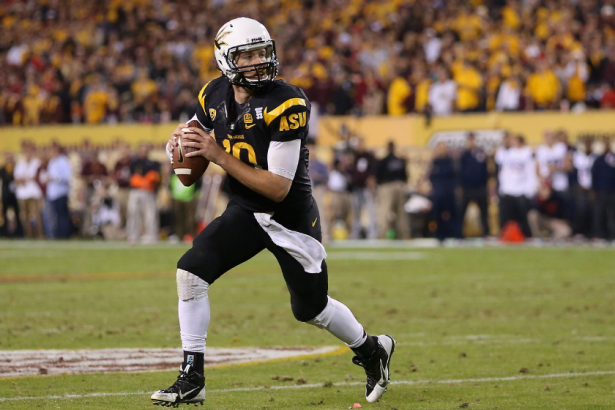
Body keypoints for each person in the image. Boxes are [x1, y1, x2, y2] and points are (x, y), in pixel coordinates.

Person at [152, 18, 395, 408]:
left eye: (262, 52)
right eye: (246, 55)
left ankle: (372, 349)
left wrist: (217, 154)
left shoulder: (288, 102)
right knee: (191, 272)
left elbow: (278, 187)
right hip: (247, 212)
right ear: (225, 60)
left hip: (290, 220)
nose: (258, 61)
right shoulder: (213, 94)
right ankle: (191, 376)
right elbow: (188, 157)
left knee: (310, 308)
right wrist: (179, 149)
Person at [495, 134, 536, 238]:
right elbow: (498, 158)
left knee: (522, 217)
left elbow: (530, 171)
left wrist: (530, 189)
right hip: (508, 190)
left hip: (521, 190)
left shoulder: (527, 153)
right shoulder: (507, 153)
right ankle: (505, 235)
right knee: (506, 217)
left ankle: (526, 235)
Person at [126, 144, 160, 244]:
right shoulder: (134, 162)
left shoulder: (153, 163)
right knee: (133, 213)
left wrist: (147, 181)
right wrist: (142, 182)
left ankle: (152, 235)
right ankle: (133, 235)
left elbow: (156, 177)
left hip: (148, 192)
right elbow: (132, 178)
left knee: (150, 215)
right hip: (136, 191)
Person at [375, 141, 409, 239]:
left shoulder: (383, 161)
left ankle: (382, 235)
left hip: (387, 186)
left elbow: (378, 177)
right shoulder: (400, 161)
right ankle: (404, 235)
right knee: (401, 213)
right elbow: (405, 177)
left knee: (384, 212)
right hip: (399, 186)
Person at [459, 133, 490, 237]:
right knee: (462, 212)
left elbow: (485, 170)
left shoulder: (480, 153)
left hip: (480, 188)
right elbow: (460, 171)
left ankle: (486, 234)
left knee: (484, 213)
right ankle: (459, 234)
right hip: (467, 188)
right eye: (469, 140)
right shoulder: (464, 155)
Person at [429, 141, 460, 241]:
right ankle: (440, 237)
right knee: (438, 216)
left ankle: (457, 236)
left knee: (453, 215)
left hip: (449, 193)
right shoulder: (435, 162)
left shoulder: (451, 162)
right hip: (438, 193)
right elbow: (431, 178)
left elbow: (455, 177)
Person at [349, 138, 378, 239]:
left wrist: (372, 183)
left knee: (370, 212)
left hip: (367, 188)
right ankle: (355, 234)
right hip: (357, 188)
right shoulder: (354, 157)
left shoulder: (369, 157)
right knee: (356, 212)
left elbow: (373, 171)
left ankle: (372, 234)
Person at [14, 145, 44, 238]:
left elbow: (37, 177)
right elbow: (17, 179)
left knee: (36, 214)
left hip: (34, 193)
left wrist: (25, 179)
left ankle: (39, 234)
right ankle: (28, 234)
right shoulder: (20, 163)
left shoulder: (37, 163)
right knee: (25, 216)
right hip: (22, 194)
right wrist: (26, 179)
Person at [45, 145, 72, 239]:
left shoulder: (63, 161)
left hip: (61, 193)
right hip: (52, 194)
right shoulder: (52, 161)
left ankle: (64, 235)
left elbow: (67, 177)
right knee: (54, 216)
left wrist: (54, 178)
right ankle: (56, 234)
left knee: (62, 216)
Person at [591, 137, 615, 240]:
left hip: (612, 191)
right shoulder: (598, 159)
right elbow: (594, 175)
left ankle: (612, 235)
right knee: (599, 214)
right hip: (600, 191)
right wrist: (593, 190)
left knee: (612, 215)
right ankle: (599, 235)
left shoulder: (613, 158)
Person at [307, 142, 330, 242]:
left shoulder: (320, 164)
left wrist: (316, 176)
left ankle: (323, 233)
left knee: (320, 211)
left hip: (317, 188)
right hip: (304, 190)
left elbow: (326, 177)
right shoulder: (302, 162)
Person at [0, 152, 24, 237]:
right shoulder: (3, 169)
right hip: (6, 194)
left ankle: (19, 233)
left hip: (15, 194)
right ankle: (4, 232)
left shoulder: (16, 167)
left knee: (17, 214)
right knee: (5, 214)